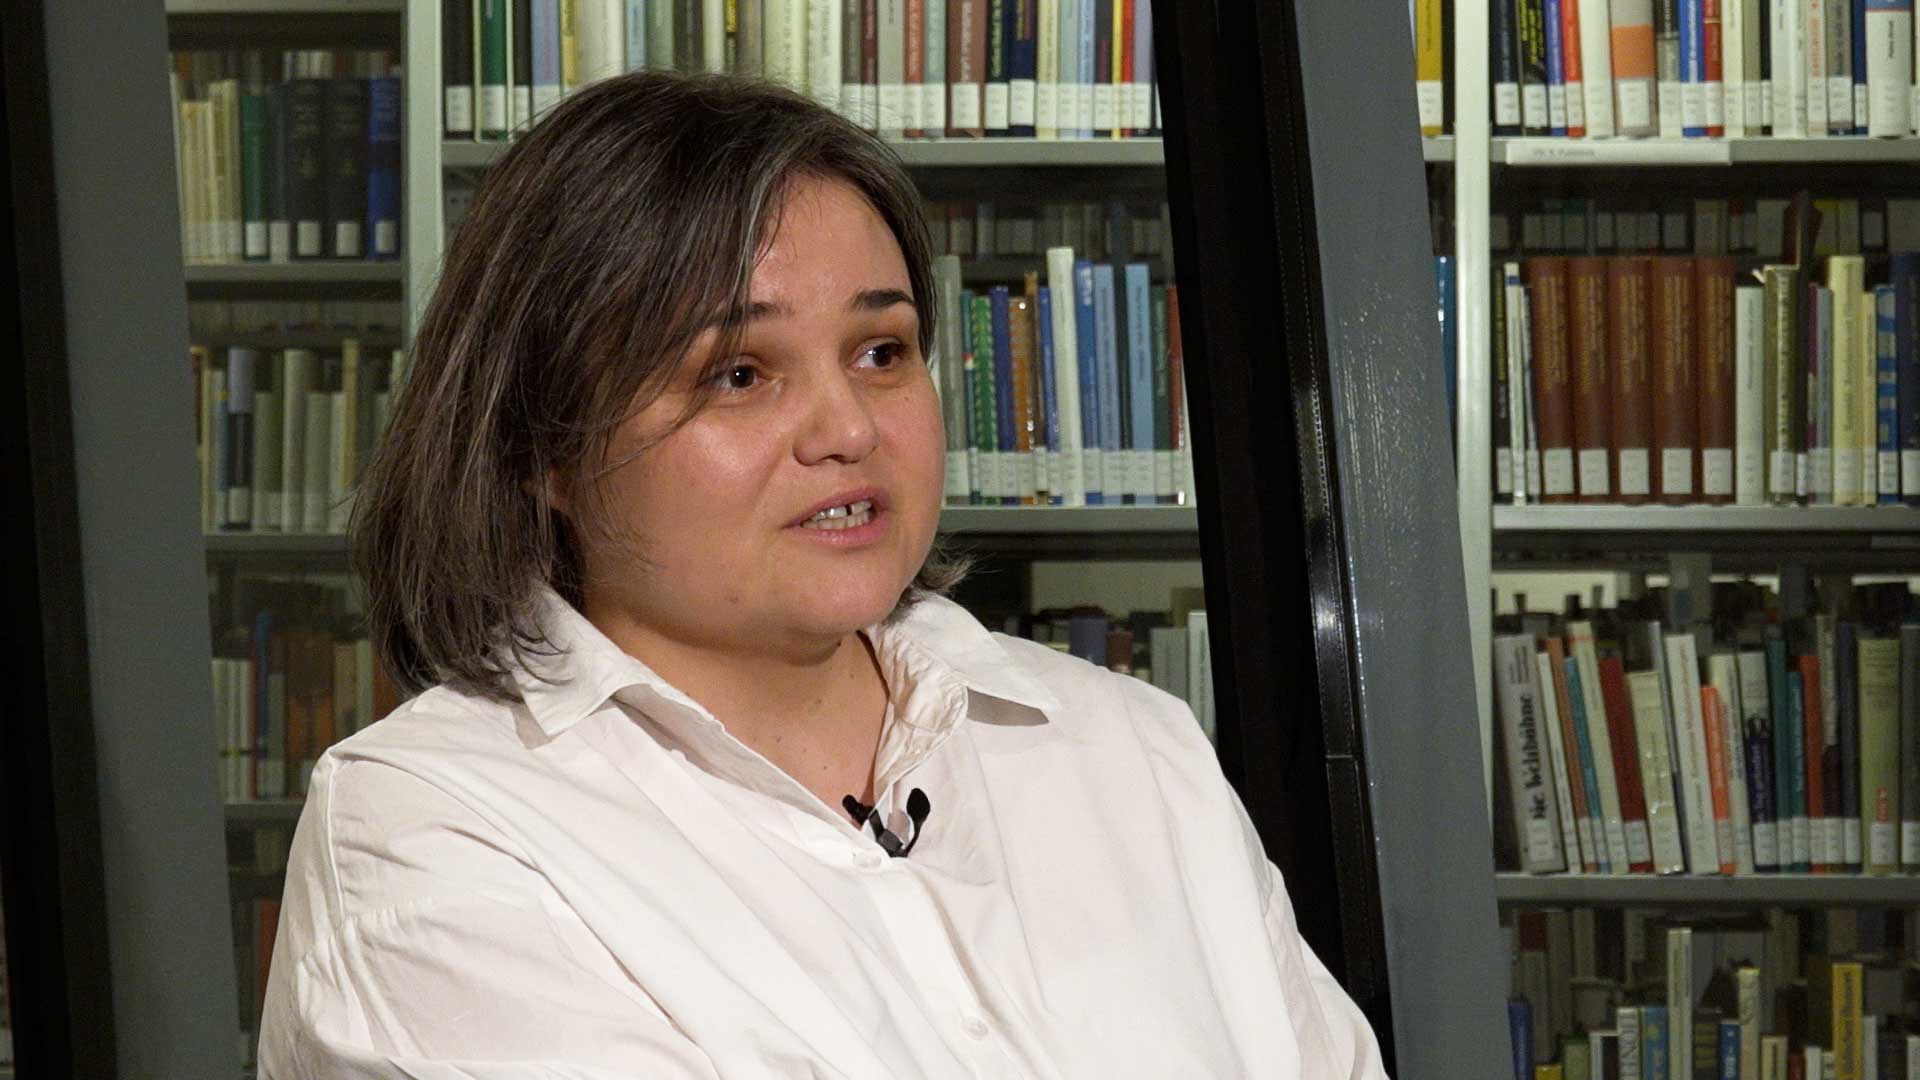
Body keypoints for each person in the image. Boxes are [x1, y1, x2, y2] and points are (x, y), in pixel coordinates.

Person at [256, 70, 1386, 1079]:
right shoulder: (430, 831)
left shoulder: (1133, 751)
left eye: (881, 351)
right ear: (545, 444)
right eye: (739, 373)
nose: (846, 427)